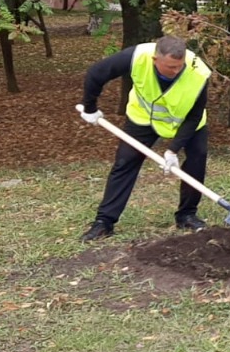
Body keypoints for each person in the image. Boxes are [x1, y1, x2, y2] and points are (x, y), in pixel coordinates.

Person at [76, 36, 212, 241]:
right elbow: (96, 73)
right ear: (155, 59)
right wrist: (90, 108)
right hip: (144, 118)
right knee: (125, 162)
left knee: (197, 160)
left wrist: (173, 149)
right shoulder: (136, 57)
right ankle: (104, 222)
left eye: (179, 66)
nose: (176, 71)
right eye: (170, 66)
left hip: (186, 123)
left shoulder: (199, 73)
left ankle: (187, 215)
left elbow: (194, 116)